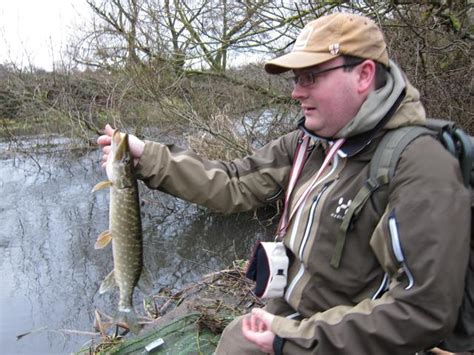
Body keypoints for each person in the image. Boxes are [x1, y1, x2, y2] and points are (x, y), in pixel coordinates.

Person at [97, 12, 471, 355]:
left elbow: (421, 310)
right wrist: (147, 157)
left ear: (364, 75)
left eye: (312, 77)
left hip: (339, 340)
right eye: (296, 79)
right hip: (292, 314)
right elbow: (231, 182)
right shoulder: (309, 144)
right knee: (234, 340)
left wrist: (291, 342)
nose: (296, 92)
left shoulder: (420, 165)